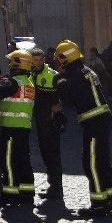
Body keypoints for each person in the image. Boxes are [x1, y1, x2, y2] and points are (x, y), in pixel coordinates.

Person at [54, 39, 112, 218]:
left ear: (65, 58)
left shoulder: (72, 76)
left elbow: (65, 98)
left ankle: (99, 205)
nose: (58, 63)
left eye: (59, 59)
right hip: (102, 119)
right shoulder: (85, 70)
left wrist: (57, 79)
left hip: (94, 122)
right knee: (103, 161)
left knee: (91, 163)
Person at [0, 49, 36, 207]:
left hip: (10, 127)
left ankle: (10, 195)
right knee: (23, 160)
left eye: (12, 61)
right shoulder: (27, 82)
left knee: (7, 161)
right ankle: (27, 194)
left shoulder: (14, 82)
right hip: (23, 128)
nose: (9, 65)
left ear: (17, 63)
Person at [30, 47, 64, 201]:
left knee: (52, 155)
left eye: (38, 60)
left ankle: (57, 189)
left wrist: (60, 105)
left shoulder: (52, 75)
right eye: (33, 60)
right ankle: (53, 186)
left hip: (50, 121)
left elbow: (65, 93)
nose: (36, 63)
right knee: (45, 153)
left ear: (43, 59)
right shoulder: (32, 75)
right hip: (40, 120)